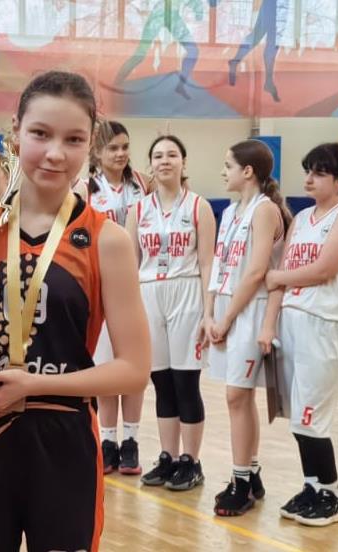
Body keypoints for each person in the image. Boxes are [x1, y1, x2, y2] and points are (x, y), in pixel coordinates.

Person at [0, 70, 151, 552]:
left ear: (90, 144)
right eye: (40, 134)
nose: (55, 153)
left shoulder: (106, 239)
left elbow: (133, 369)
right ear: (15, 131)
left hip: (63, 437)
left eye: (73, 139)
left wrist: (32, 385)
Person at [262, 143, 338, 527]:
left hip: (327, 322)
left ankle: (332, 493)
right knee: (297, 416)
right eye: (307, 171)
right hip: (292, 321)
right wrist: (269, 324)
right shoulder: (302, 218)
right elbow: (282, 280)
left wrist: (278, 276)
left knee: (312, 414)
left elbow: (324, 269)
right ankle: (313, 486)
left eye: (319, 173)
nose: (309, 179)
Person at [206, 139, 290, 516]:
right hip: (228, 306)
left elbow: (256, 272)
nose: (223, 172)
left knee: (236, 397)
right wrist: (210, 313)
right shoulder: (230, 212)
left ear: (248, 171)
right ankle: (251, 473)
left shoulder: (264, 210)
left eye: (228, 165)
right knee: (239, 399)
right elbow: (219, 265)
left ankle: (240, 482)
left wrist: (226, 319)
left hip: (250, 309)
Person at [132, 134, 215, 491]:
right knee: (161, 382)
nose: (164, 161)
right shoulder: (138, 210)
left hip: (186, 292)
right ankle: (168, 456)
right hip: (149, 292)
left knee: (185, 382)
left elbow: (208, 263)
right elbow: (130, 263)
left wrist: (208, 312)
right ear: (150, 164)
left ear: (183, 162)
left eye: (171, 155)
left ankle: (191, 461)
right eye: (157, 156)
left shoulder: (199, 207)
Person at [78, 120, 149, 475]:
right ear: (97, 152)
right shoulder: (85, 188)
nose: (120, 154)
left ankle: (131, 440)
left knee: (134, 364)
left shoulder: (143, 185)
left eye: (125, 147)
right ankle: (107, 440)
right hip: (100, 284)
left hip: (139, 284)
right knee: (106, 365)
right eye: (113, 148)